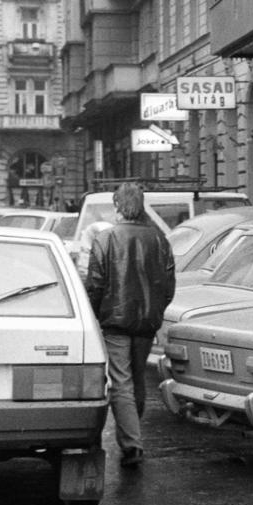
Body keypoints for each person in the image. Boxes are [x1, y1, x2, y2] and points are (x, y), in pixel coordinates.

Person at [84, 181, 175, 468]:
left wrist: (96, 316)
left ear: (117, 207)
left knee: (121, 382)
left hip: (115, 321)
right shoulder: (160, 239)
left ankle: (132, 444)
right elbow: (169, 285)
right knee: (136, 379)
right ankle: (131, 436)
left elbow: (95, 285)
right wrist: (156, 310)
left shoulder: (106, 239)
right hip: (147, 322)